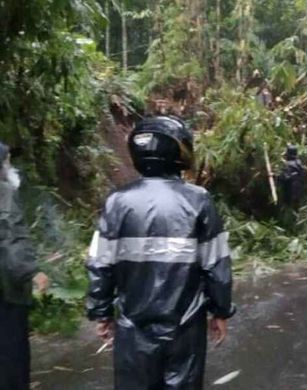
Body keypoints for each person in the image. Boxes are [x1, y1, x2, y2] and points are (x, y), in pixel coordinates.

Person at [86, 116, 235, 389]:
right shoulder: (198, 199)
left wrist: (101, 312)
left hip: (133, 328)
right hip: (185, 326)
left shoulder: (117, 202)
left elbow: (100, 263)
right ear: (179, 151)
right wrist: (221, 311)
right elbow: (216, 263)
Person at [0, 142, 49, 390]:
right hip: (6, 289)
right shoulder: (4, 192)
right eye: (7, 161)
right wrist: (32, 271)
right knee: (11, 352)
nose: (9, 166)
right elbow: (10, 238)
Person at [279, 144, 307, 211]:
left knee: (287, 209)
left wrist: (276, 177)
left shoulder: (288, 164)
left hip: (289, 192)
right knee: (296, 209)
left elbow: (285, 177)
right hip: (299, 191)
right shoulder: (299, 164)